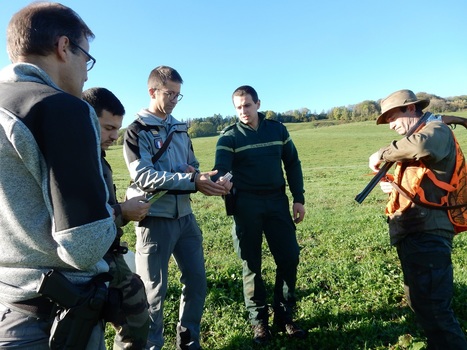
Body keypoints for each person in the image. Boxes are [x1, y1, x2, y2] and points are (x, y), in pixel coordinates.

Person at [0, 3, 116, 349]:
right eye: (86, 58)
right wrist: (115, 213)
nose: (86, 73)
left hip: (8, 303)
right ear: (64, 47)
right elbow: (85, 245)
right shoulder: (61, 108)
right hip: (54, 321)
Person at [123, 65, 228, 350]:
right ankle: (152, 345)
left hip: (185, 217)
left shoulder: (180, 128)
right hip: (154, 219)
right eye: (169, 93)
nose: (173, 100)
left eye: (178, 96)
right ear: (152, 91)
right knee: (153, 293)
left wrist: (206, 179)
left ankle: (189, 341)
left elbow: (190, 166)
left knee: (196, 283)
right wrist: (192, 180)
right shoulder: (136, 131)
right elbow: (144, 176)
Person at [369, 89, 467, 349]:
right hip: (414, 232)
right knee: (422, 305)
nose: (390, 125)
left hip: (429, 233)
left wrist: (381, 153)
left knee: (436, 310)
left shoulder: (437, 130)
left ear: (411, 109)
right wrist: (394, 186)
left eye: (392, 116)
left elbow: (421, 146)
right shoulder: (415, 137)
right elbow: (419, 175)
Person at [212, 85, 306, 345]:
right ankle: (259, 322)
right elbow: (221, 167)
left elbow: (292, 163)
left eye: (247, 105)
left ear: (258, 104)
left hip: (277, 201)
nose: (243, 111)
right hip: (246, 205)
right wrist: (221, 181)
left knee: (289, 256)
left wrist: (298, 198)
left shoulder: (277, 130)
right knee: (251, 264)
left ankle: (285, 316)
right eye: (238, 107)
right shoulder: (229, 137)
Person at [82, 87, 151, 349]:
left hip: (109, 254)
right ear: (87, 118)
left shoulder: (95, 157)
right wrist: (124, 211)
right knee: (132, 324)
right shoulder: (80, 161)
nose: (115, 136)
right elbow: (84, 219)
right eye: (108, 128)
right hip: (95, 259)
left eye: (117, 128)